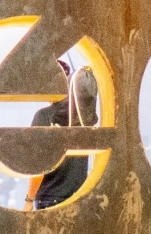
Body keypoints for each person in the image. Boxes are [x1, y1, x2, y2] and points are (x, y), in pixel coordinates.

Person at [28, 68, 101, 210]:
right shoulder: (84, 122)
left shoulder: (43, 116)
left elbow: (38, 166)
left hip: (49, 199)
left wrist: (29, 199)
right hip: (79, 199)